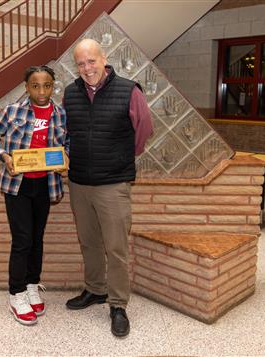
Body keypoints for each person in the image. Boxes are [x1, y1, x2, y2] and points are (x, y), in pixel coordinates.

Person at [63, 39, 153, 337]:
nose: (86, 68)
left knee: (116, 247)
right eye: (80, 63)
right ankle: (95, 289)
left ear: (104, 59)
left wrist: (121, 157)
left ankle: (117, 304)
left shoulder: (129, 90)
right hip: (79, 182)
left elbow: (143, 131)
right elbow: (67, 133)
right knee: (88, 241)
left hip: (113, 184)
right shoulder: (70, 93)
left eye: (91, 61)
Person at [0, 65, 67, 326]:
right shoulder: (13, 111)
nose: (41, 91)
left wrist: (65, 159)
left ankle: (32, 284)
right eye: (35, 85)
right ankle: (16, 293)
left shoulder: (61, 114)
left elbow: (67, 145)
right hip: (17, 185)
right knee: (22, 240)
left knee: (37, 238)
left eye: (47, 85)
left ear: (53, 87)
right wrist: (4, 156)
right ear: (26, 87)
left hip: (45, 184)